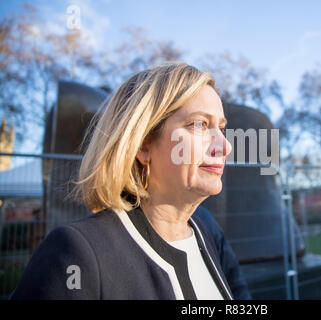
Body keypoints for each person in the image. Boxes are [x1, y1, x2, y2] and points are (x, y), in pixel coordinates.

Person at [11, 62, 239, 300]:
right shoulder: (75, 253)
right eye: (199, 124)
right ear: (142, 144)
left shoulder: (207, 233)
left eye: (221, 128)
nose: (225, 146)